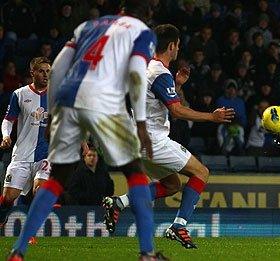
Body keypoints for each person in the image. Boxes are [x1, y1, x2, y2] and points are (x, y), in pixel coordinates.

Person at [7, 1, 163, 260]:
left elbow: (57, 68)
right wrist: (142, 123)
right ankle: (147, 253)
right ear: (147, 12)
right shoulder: (142, 31)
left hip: (68, 97)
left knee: (57, 178)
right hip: (105, 99)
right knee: (134, 171)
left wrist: (54, 112)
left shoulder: (88, 26)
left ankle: (18, 251)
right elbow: (136, 72)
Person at [102, 24, 234, 249]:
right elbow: (177, 111)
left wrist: (177, 85)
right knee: (201, 172)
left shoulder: (147, 69)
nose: (178, 50)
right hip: (154, 140)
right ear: (172, 46)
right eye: (178, 46)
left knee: (172, 184)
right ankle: (179, 226)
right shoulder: (160, 73)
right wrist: (212, 117)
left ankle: (119, 202)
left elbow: (160, 101)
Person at [0, 57, 51, 227]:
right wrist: (6, 136)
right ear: (32, 73)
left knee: (40, 191)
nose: (45, 75)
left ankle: (30, 232)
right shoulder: (20, 94)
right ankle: (1, 218)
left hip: (45, 155)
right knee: (8, 198)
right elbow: (8, 119)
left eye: (48, 71)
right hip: (22, 154)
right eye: (41, 71)